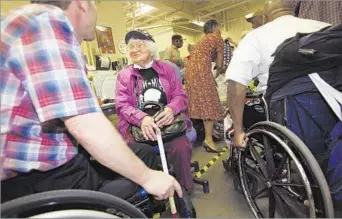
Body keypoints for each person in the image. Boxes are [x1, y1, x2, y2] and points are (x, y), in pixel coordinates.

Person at [0, 1, 182, 203]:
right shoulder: (47, 21)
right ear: (83, 4)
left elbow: (180, 96)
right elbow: (85, 124)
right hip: (40, 178)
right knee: (141, 170)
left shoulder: (17, 22)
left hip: (30, 170)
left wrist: (170, 109)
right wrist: (148, 177)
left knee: (144, 152)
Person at [225, 0, 330, 149]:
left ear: (264, 18)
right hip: (333, 106)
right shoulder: (324, 28)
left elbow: (235, 85)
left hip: (285, 115)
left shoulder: (255, 37)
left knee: (237, 116)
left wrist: (238, 131)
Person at [115, 30, 194, 193]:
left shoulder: (167, 69)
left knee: (180, 146)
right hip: (138, 128)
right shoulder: (124, 75)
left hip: (168, 125)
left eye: (139, 45)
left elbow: (180, 95)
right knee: (137, 154)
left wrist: (171, 109)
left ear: (151, 49)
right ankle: (150, 195)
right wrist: (142, 119)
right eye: (131, 47)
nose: (134, 50)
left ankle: (183, 191)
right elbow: (122, 105)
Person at [185, 19, 226, 153]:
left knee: (204, 104)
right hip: (201, 73)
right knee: (209, 103)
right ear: (215, 28)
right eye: (219, 28)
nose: (219, 30)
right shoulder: (217, 38)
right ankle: (208, 140)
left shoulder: (201, 41)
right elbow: (219, 65)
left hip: (191, 74)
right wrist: (223, 69)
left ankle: (208, 138)